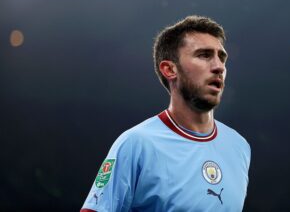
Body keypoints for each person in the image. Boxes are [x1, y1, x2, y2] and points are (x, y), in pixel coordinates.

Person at [81, 15, 251, 212]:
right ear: (170, 69)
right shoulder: (136, 143)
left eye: (221, 58)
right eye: (204, 55)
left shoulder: (239, 146)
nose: (218, 67)